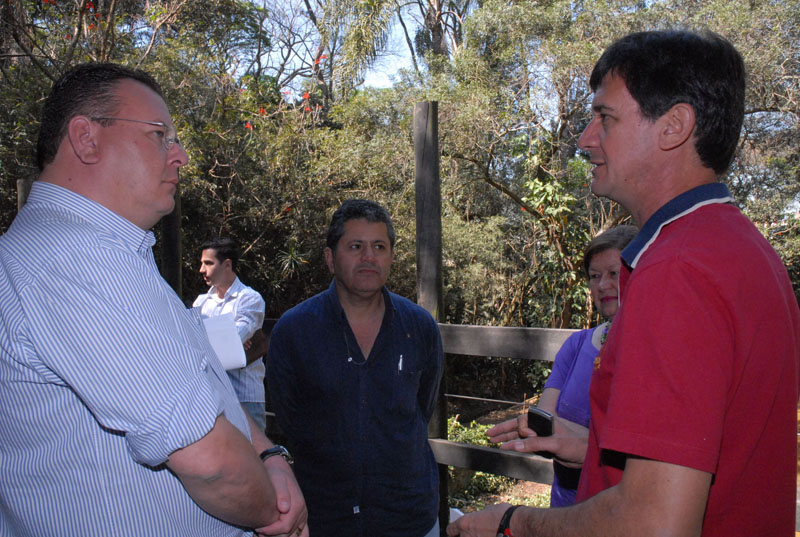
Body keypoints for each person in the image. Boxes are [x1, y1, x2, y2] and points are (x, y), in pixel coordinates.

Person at [448, 30, 799, 537]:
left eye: (605, 118)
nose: (586, 138)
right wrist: (586, 446)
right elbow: (710, 456)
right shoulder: (742, 249)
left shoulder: (678, 270)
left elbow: (654, 523)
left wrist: (511, 522)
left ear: (674, 126)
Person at [0, 62, 307, 536]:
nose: (179, 155)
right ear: (86, 138)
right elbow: (211, 462)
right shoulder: (77, 260)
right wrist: (278, 516)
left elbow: (208, 387)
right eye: (159, 135)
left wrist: (269, 455)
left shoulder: (109, 253)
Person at [266, 199, 444, 537]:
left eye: (379, 246)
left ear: (391, 256)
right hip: (325, 518)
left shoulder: (419, 327)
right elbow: (290, 420)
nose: (369, 257)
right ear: (331, 258)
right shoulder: (295, 331)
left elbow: (423, 405)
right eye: (355, 246)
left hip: (409, 517)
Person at [487, 225, 637, 507]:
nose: (603, 285)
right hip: (566, 502)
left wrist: (587, 445)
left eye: (614, 274)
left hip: (624, 508)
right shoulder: (577, 345)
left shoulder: (657, 351)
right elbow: (547, 420)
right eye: (595, 276)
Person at [194, 237, 269, 431]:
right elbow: (191, 341)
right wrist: (227, 338)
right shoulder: (201, 302)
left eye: (208, 263)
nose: (202, 269)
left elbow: (233, 338)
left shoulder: (249, 298)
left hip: (244, 396)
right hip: (212, 397)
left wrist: (226, 339)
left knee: (253, 456)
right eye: (202, 263)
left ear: (227, 264)